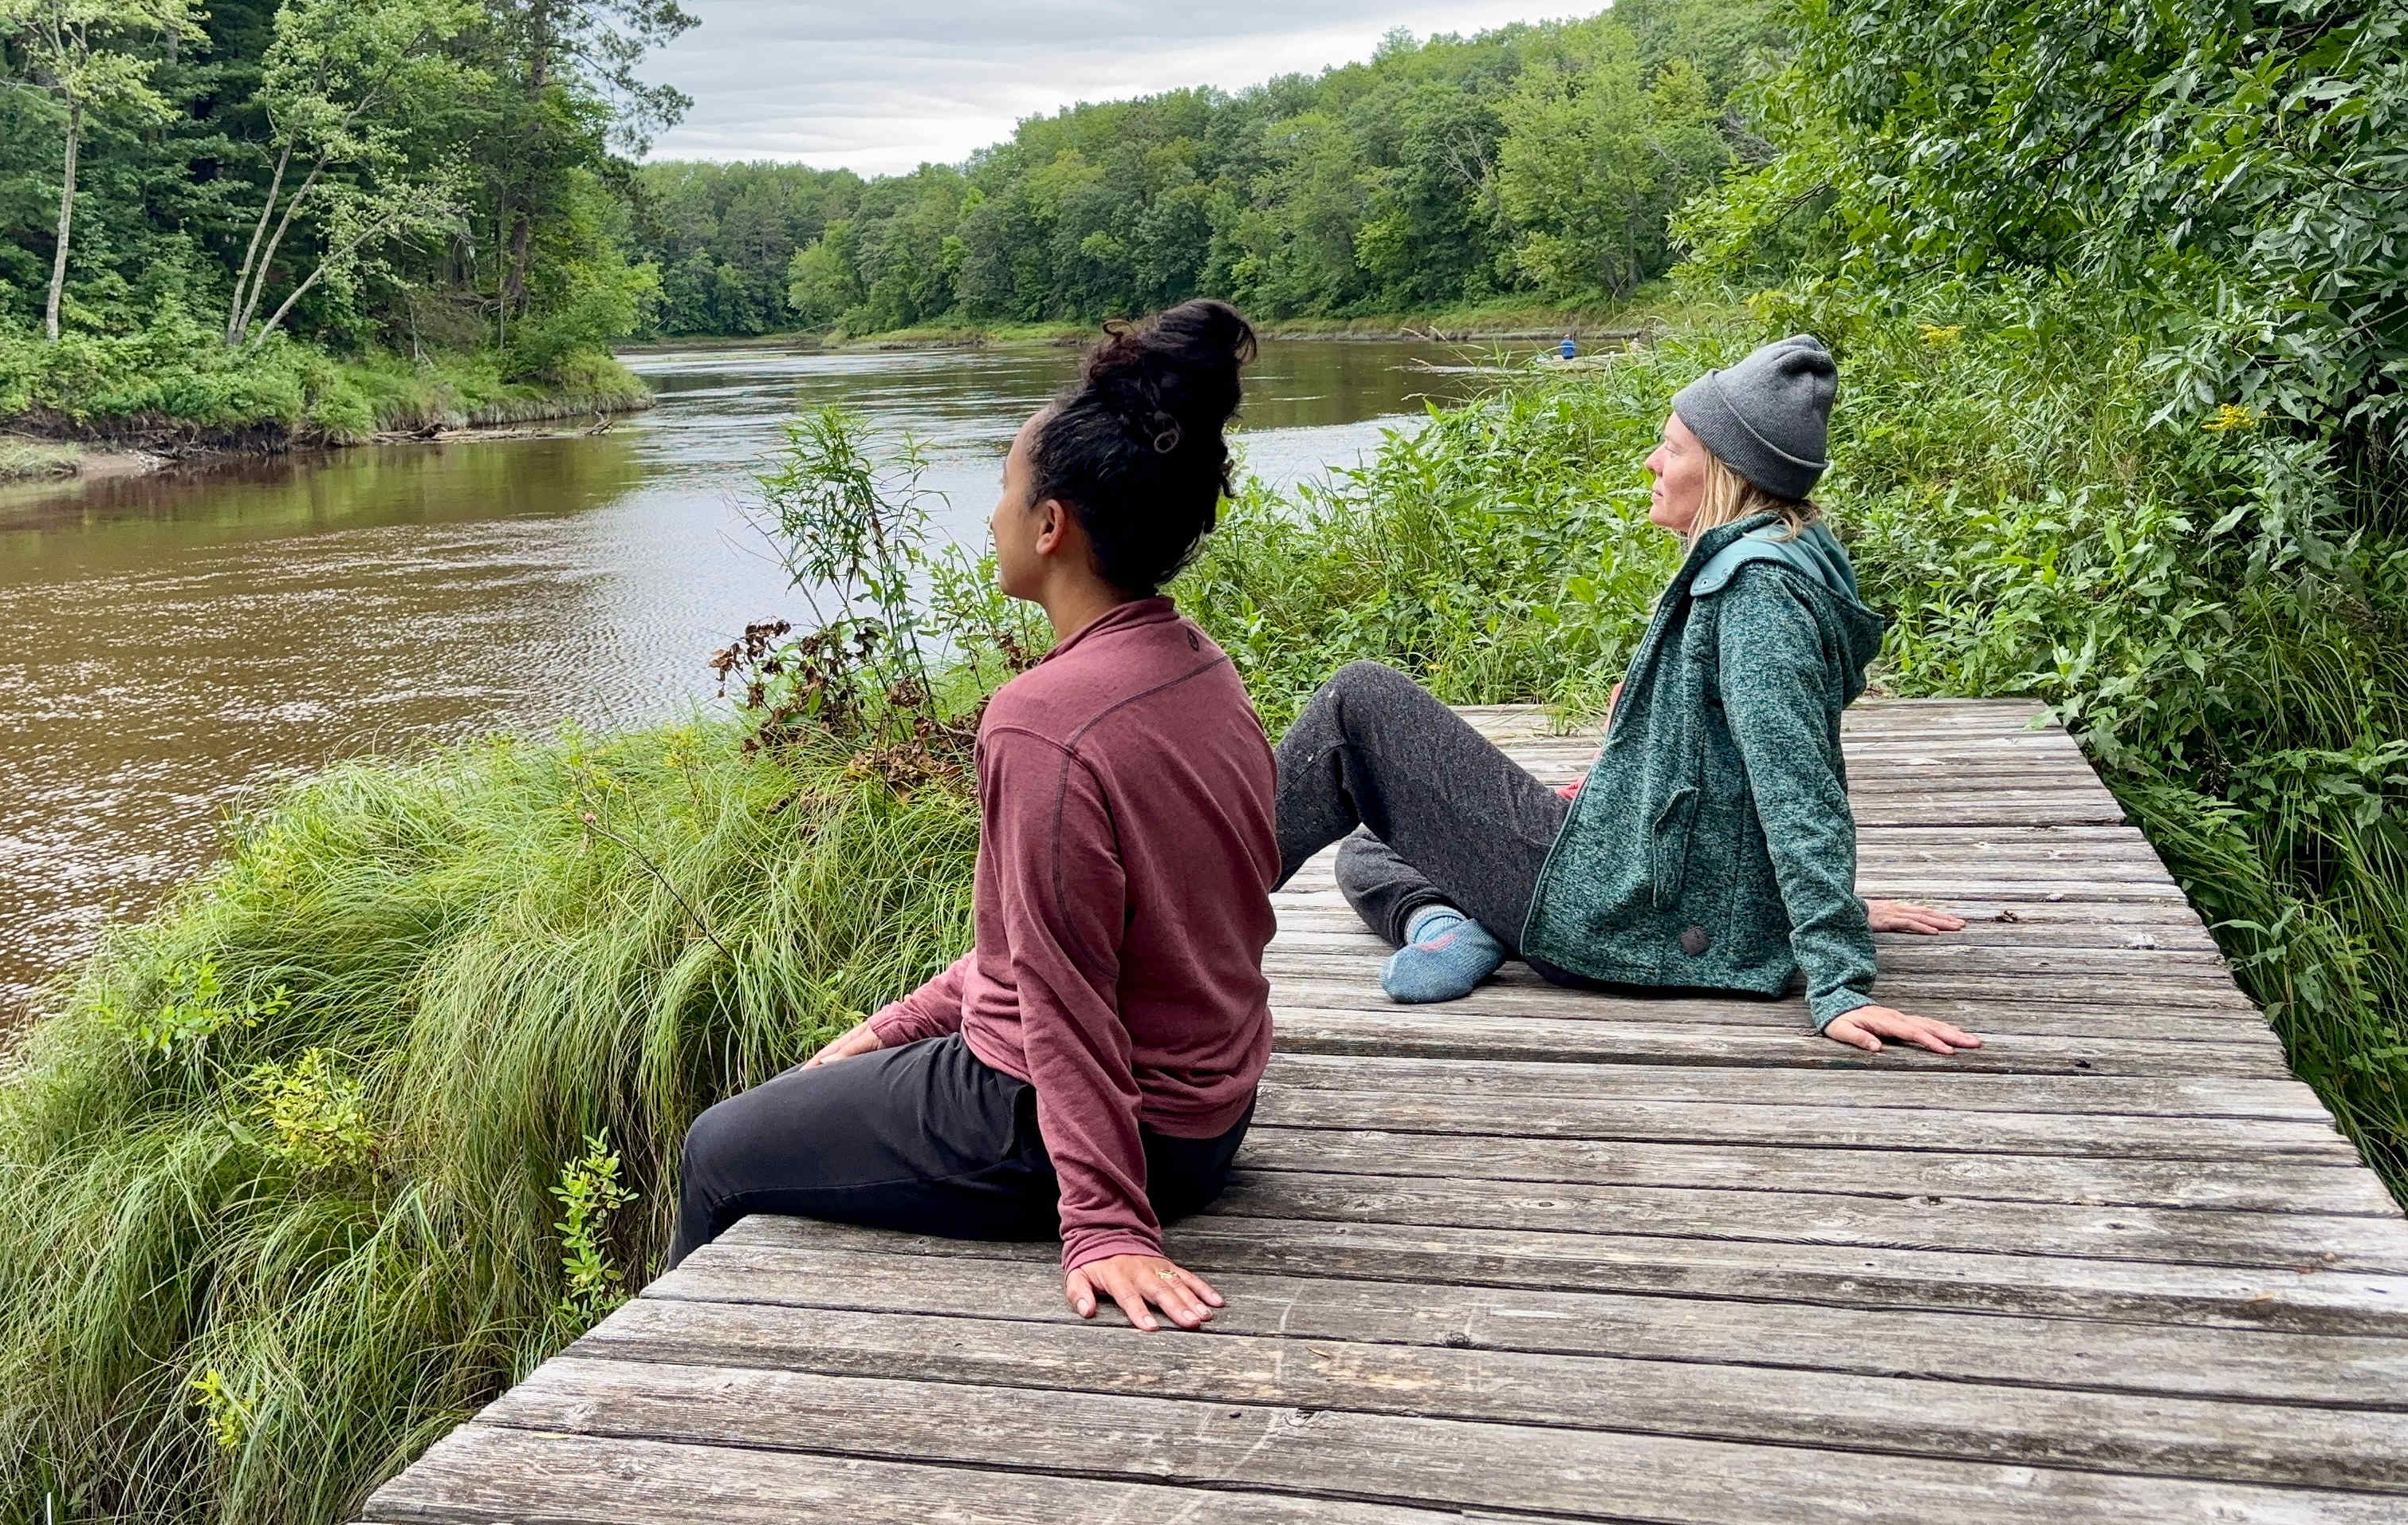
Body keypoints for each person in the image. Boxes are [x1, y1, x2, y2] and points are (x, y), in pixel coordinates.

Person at [671, 299, 1279, 1332]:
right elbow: (1059, 943)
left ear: (1052, 526)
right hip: (1210, 1117)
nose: (992, 514)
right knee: (813, 1091)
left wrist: (1104, 1222)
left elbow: (1063, 992)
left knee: (719, 1148)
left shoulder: (1041, 721)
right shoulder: (1203, 673)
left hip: (1061, 1124)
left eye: (1005, 489)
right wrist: (883, 1028)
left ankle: (672, 1406)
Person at [1275, 334, 1982, 1056]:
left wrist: (1837, 973)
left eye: (1672, 448)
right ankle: (1453, 924)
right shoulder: (1782, 554)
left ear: (1726, 470)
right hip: (1639, 871)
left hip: (1625, 912)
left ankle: (1166, 923)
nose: (1651, 462)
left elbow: (1795, 782)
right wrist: (1800, 907)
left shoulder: (1756, 593)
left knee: (1354, 704)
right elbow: (1746, 774)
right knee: (1370, 837)